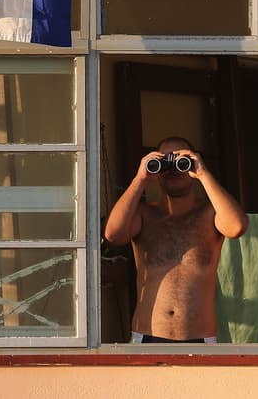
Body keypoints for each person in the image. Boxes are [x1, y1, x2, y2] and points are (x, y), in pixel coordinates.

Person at [104, 136, 248, 343]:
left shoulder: (209, 214)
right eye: (165, 161)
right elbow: (113, 234)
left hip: (200, 338)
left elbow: (237, 227)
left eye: (181, 160)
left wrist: (203, 174)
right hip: (148, 337)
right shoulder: (145, 214)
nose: (173, 168)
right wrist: (140, 180)